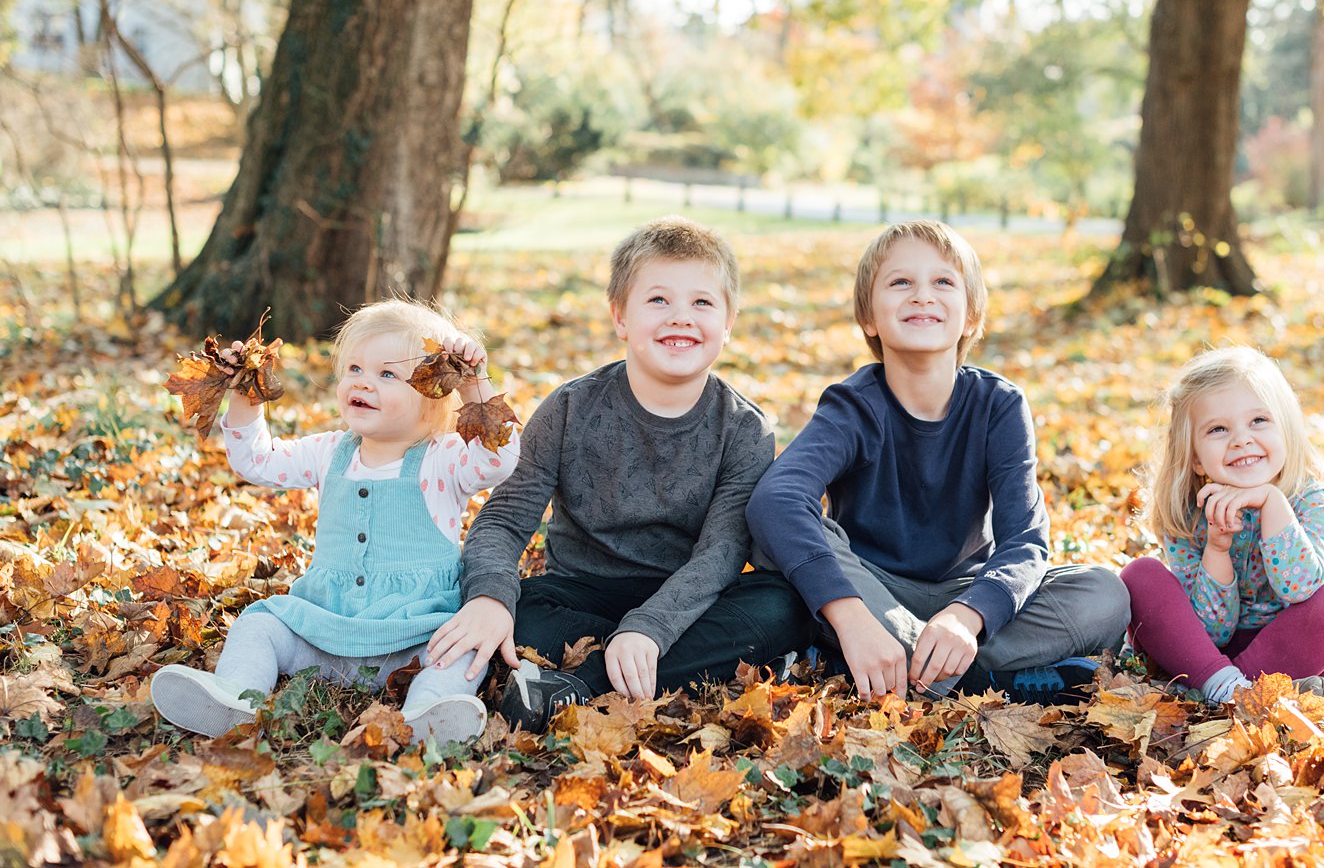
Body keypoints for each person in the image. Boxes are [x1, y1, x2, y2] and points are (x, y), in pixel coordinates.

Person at [425, 217, 811, 731]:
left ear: (729, 321)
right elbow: (504, 520)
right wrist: (491, 596)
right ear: (620, 317)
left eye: (702, 303)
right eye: (658, 301)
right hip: (583, 594)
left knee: (781, 605)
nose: (681, 318)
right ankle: (652, 664)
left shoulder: (744, 428)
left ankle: (581, 684)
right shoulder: (570, 407)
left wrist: (650, 627)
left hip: (689, 599)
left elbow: (721, 554)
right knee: (515, 607)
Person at [746, 220, 1129, 704]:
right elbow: (777, 497)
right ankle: (973, 678)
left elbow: (1025, 542)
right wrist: (852, 616)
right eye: (900, 282)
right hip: (871, 591)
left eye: (943, 282)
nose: (922, 296)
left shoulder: (999, 406)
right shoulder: (853, 406)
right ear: (869, 318)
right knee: (783, 542)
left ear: (970, 316)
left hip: (964, 591)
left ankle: (910, 668)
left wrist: (969, 615)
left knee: (1104, 593)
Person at [151, 299, 520, 744]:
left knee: (459, 651)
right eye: (354, 369)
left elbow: (498, 460)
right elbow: (259, 461)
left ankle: (429, 710)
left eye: (387, 374)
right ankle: (236, 698)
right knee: (261, 623)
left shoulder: (442, 461)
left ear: (433, 394)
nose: (363, 383)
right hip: (325, 630)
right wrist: (247, 394)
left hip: (414, 635)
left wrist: (473, 385)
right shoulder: (330, 452)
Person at [1121, 347, 1324, 701]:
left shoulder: (1309, 498)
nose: (1241, 439)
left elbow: (1300, 588)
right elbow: (1210, 631)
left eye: (1259, 421)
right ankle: (1224, 688)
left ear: (1286, 430)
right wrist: (1217, 550)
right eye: (1218, 429)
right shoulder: (1188, 512)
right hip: (1202, 655)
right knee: (1140, 576)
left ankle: (1237, 695)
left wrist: (1272, 502)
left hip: (1286, 653)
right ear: (1197, 459)